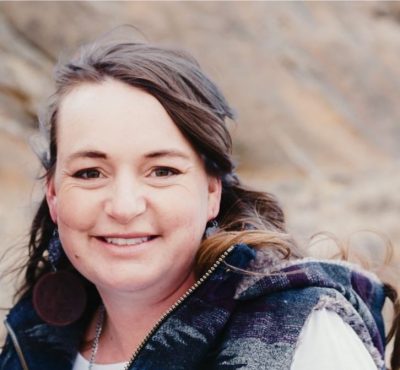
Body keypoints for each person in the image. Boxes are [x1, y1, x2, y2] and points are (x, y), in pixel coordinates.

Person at [0, 32, 398, 370]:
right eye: (90, 173)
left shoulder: (300, 337)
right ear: (53, 193)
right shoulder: (33, 341)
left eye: (162, 171)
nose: (123, 206)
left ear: (212, 191)